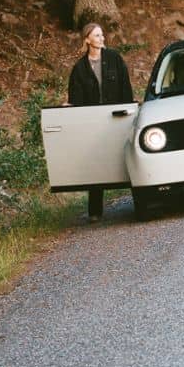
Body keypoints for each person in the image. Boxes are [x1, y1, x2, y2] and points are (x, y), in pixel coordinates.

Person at [66, 22, 135, 220]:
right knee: (96, 163)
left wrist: (128, 111)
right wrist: (69, 109)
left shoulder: (114, 59)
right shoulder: (79, 68)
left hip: (117, 117)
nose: (102, 38)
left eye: (102, 35)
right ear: (87, 39)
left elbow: (125, 88)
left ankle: (140, 200)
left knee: (126, 158)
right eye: (97, 35)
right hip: (93, 123)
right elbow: (76, 100)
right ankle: (95, 212)